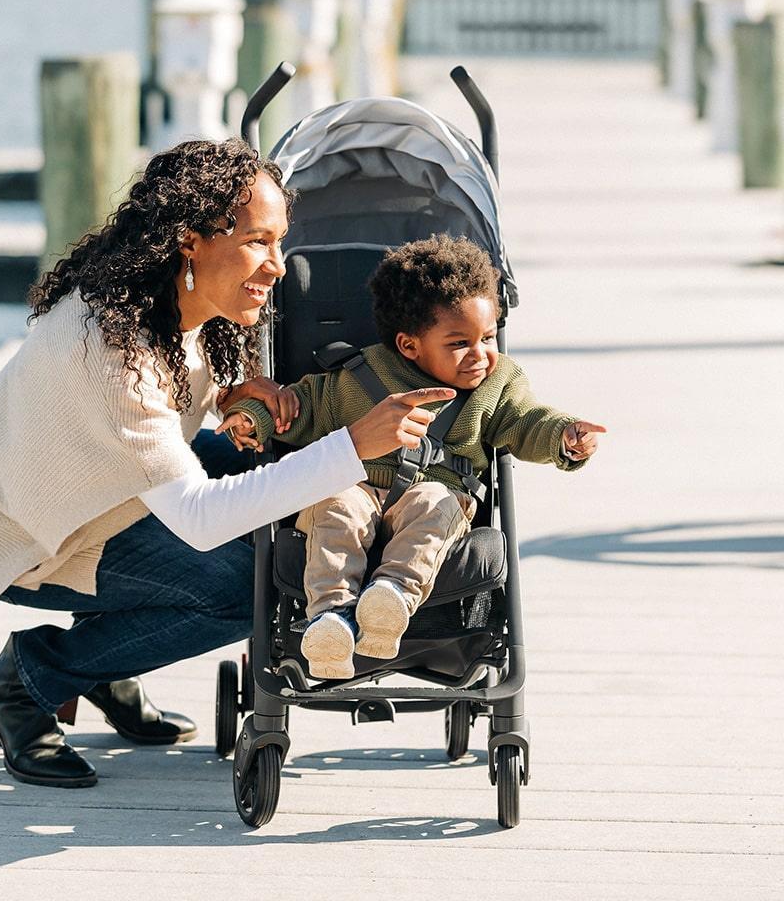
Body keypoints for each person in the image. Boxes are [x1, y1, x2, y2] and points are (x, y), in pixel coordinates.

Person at [0, 139, 454, 788]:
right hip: (4, 523)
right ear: (190, 240)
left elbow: (160, 408)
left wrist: (228, 396)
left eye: (280, 242)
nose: (277, 266)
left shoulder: (163, 303)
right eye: (257, 242)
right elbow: (195, 515)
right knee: (240, 583)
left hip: (88, 491)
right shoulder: (113, 352)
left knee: (263, 470)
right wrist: (354, 445)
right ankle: (30, 676)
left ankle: (102, 664)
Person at [219, 235, 606, 679]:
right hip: (356, 487)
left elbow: (526, 420)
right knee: (336, 503)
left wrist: (563, 436)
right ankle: (332, 619)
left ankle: (390, 599)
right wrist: (253, 419)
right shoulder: (359, 376)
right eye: (460, 343)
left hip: (437, 493)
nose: (480, 355)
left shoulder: (496, 384)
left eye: (487, 337)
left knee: (433, 504)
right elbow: (298, 405)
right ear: (409, 346)